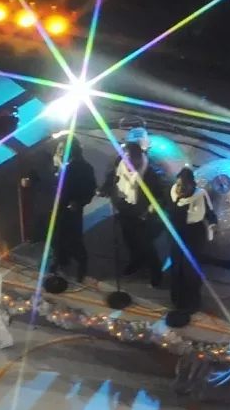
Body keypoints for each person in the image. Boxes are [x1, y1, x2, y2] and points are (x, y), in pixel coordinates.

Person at [104, 129, 164, 286]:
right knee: (129, 239)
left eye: (134, 155)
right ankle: (136, 261)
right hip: (125, 208)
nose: (130, 158)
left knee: (146, 243)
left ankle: (156, 270)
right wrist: (105, 188)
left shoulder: (150, 172)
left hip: (142, 214)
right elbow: (113, 177)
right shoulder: (121, 163)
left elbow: (160, 195)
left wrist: (152, 207)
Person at [34, 133, 97, 281]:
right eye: (59, 148)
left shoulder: (83, 168)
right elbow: (43, 179)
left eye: (64, 149)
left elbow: (89, 188)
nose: (60, 152)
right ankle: (61, 261)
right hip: (54, 207)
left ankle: (82, 265)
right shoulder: (54, 165)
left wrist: (78, 202)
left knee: (74, 239)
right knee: (56, 238)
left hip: (70, 210)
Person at [167, 166, 214, 317]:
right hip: (176, 237)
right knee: (176, 268)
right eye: (179, 185)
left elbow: (210, 214)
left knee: (191, 271)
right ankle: (178, 300)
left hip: (193, 237)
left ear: (193, 185)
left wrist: (214, 225)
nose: (181, 189)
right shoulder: (173, 194)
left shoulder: (201, 196)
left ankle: (193, 302)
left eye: (185, 186)